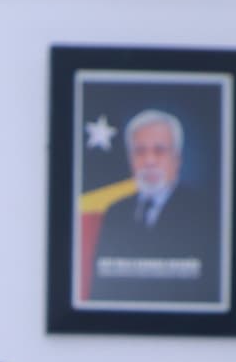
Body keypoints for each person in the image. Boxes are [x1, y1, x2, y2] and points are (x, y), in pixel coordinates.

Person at [89, 108, 219, 304]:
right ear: (130, 159)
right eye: (140, 151)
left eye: (159, 151)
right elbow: (100, 289)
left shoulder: (205, 213)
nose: (149, 161)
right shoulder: (115, 212)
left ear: (177, 159)